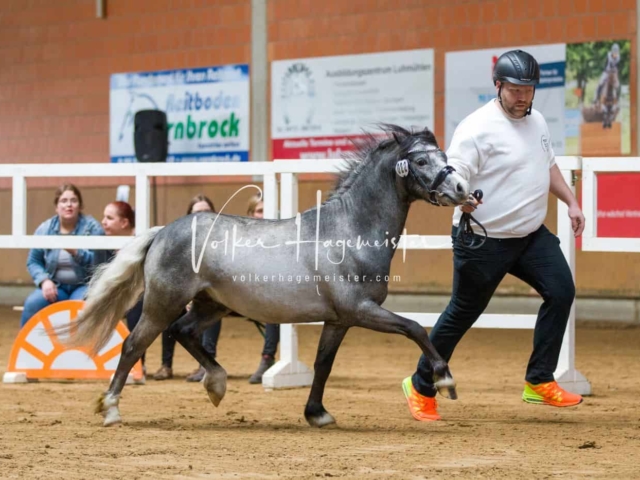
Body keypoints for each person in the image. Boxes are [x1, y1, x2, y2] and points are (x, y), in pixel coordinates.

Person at [402, 49, 586, 422]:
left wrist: (571, 201)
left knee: (562, 290)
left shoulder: (537, 123)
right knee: (462, 313)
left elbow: (547, 165)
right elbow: (455, 175)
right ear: (498, 85)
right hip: (483, 239)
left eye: (529, 89)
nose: (522, 96)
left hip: (531, 235)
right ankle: (420, 385)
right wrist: (462, 199)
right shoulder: (476, 128)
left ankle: (538, 380)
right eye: (515, 89)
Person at [152, 194, 220, 382]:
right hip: (185, 294)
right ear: (188, 216)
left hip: (214, 295)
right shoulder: (180, 243)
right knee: (168, 307)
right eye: (198, 212)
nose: (203, 216)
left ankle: (206, 364)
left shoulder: (222, 242)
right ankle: (166, 365)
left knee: (213, 306)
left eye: (207, 212)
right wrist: (188, 298)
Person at [21, 184, 104, 327]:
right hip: (56, 286)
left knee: (81, 308)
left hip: (84, 285)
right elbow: (33, 261)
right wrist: (44, 280)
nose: (69, 205)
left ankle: (80, 348)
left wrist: (77, 252)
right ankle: (24, 347)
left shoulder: (93, 228)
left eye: (73, 200)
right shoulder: (45, 229)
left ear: (80, 205)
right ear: (57, 207)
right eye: (64, 201)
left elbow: (100, 264)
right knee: (32, 304)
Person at [245, 193, 280, 384]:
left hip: (267, 297)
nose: (264, 215)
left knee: (274, 303)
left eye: (268, 210)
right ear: (251, 215)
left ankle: (267, 358)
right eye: (260, 211)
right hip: (238, 295)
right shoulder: (239, 238)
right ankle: (206, 362)